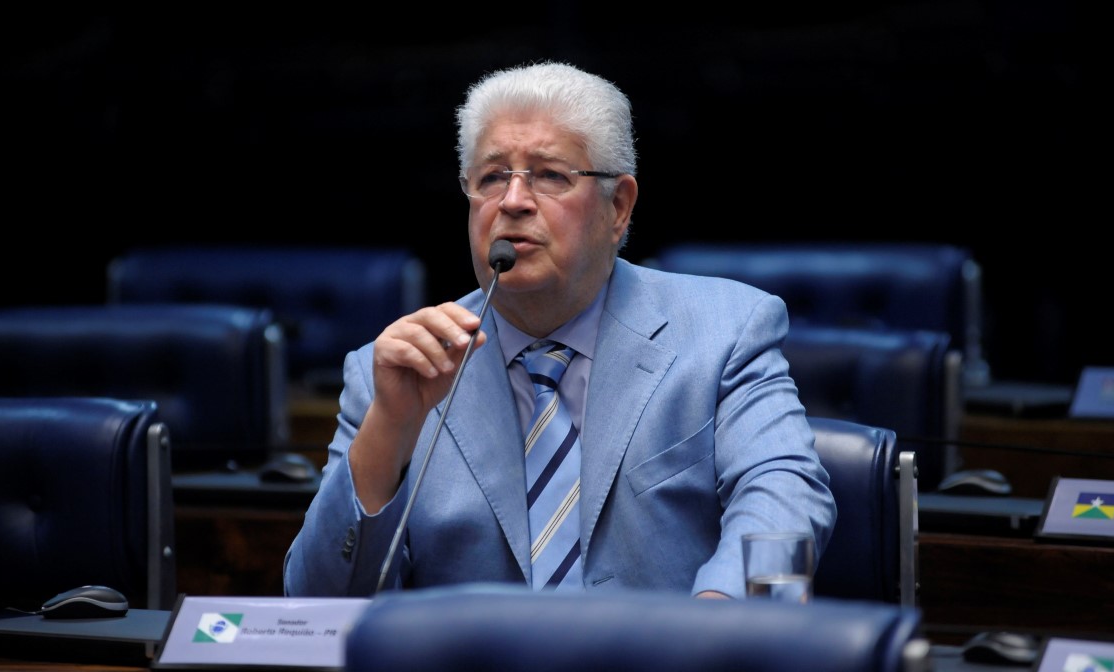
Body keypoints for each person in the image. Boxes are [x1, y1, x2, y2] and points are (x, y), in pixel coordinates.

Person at [283, 61, 836, 598]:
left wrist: (730, 621)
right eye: (492, 177)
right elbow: (311, 603)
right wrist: (388, 433)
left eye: (550, 175)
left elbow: (789, 500)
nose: (514, 201)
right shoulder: (396, 372)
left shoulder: (725, 330)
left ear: (617, 206)